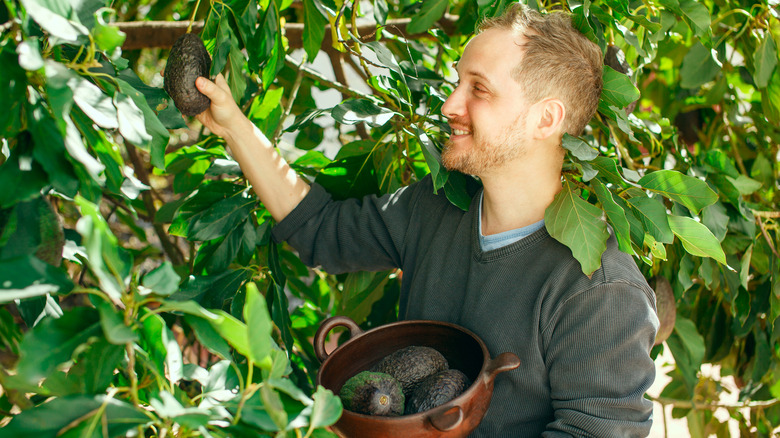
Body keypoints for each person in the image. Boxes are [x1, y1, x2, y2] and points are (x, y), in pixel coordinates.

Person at [193, 2, 659, 436]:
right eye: (458, 82)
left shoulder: (600, 290)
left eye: (478, 89)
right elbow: (321, 231)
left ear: (546, 119)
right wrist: (235, 126)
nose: (448, 106)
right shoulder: (434, 208)